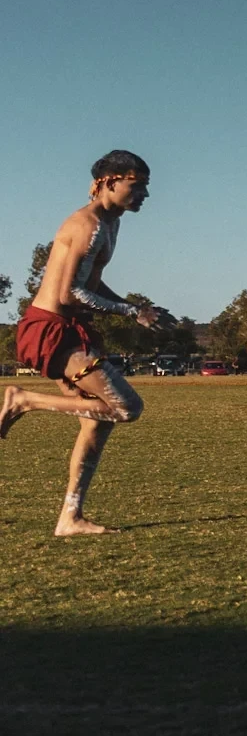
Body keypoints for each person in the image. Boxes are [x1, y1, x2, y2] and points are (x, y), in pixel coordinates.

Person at [0, 150, 161, 536]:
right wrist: (129, 312)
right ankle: (23, 399)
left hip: (69, 327)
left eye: (146, 188)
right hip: (52, 328)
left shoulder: (111, 222)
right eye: (136, 186)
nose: (143, 195)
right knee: (127, 407)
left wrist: (134, 305)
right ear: (110, 182)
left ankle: (70, 517)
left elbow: (89, 283)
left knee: (95, 421)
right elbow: (70, 292)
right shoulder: (87, 224)